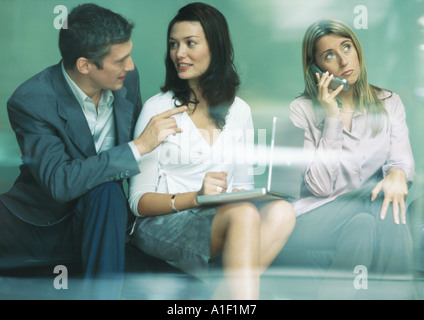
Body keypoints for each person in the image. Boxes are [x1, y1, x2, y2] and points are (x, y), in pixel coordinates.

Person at [0, 3, 185, 298]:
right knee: (107, 189)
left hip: (106, 220)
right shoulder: (32, 100)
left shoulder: (126, 79)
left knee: (190, 291)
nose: (130, 66)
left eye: (129, 55)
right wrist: (138, 147)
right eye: (120, 60)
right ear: (85, 65)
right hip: (43, 224)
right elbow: (60, 182)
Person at [128, 2, 296, 300]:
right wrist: (198, 197)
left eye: (190, 43)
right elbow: (138, 203)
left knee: (282, 212)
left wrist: (243, 194)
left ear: (215, 48)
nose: (179, 53)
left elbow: (242, 183)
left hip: (218, 217)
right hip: (162, 225)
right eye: (174, 45)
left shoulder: (239, 110)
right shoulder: (159, 109)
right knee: (243, 214)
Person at [284, 18, 416, 299]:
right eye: (330, 55)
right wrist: (331, 117)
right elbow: (319, 188)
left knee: (368, 222)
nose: (344, 60)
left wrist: (397, 174)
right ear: (317, 68)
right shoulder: (302, 110)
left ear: (357, 49)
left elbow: (402, 161)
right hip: (315, 215)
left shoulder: (389, 102)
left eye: (347, 47)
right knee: (381, 204)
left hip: (364, 212)